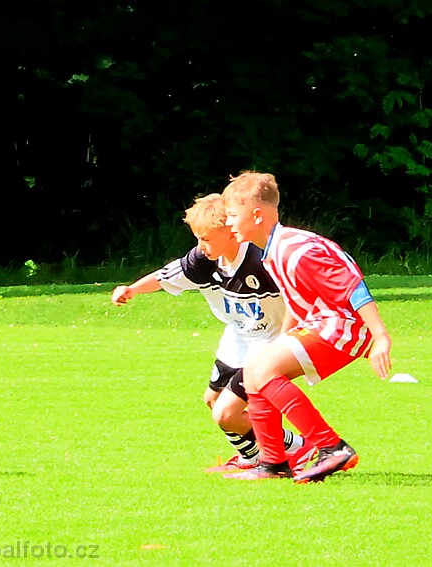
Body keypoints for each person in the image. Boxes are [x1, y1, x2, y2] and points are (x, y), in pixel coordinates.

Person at [111, 194, 316, 473]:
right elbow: (164, 276)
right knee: (213, 400)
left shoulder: (261, 261)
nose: (200, 246)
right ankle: (251, 457)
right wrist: (132, 289)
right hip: (237, 340)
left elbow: (298, 296)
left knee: (227, 414)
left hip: (268, 344)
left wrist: (283, 340)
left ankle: (298, 447)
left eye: (206, 238)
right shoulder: (203, 261)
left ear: (231, 231)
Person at [221, 171, 392, 483]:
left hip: (342, 325)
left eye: (232, 215)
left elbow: (352, 286)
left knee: (264, 370)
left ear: (256, 215)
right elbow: (295, 299)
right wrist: (282, 338)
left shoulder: (293, 249)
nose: (228, 222)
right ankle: (273, 464)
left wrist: (380, 336)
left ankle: (332, 448)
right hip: (324, 322)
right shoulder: (274, 249)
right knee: (256, 368)